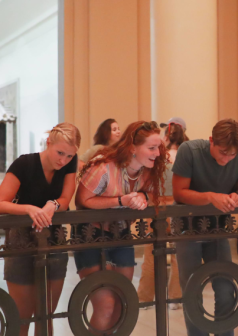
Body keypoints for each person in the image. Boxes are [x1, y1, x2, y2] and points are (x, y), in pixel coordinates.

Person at [74, 121, 167, 330]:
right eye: (152, 148)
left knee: (121, 301)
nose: (157, 153)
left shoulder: (148, 170)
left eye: (159, 147)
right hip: (90, 233)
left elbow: (153, 194)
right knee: (105, 305)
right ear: (133, 148)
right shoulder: (104, 166)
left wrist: (143, 195)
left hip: (121, 232)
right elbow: (83, 201)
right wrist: (120, 201)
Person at [0, 122, 81, 336]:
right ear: (48, 142)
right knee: (21, 318)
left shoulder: (70, 162)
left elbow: (66, 200)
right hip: (21, 241)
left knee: (46, 316)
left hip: (55, 239)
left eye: (69, 156)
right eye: (60, 153)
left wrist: (54, 204)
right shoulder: (25, 163)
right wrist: (29, 209)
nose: (63, 160)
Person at [172, 118, 238, 336]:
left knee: (226, 287)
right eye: (223, 152)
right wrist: (210, 197)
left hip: (219, 228)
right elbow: (179, 192)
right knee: (192, 288)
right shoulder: (189, 151)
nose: (227, 159)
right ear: (211, 141)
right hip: (187, 227)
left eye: (232, 155)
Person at [137, 118, 188, 310]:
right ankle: (176, 299)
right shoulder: (184, 157)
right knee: (177, 255)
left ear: (166, 137)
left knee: (151, 254)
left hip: (156, 207)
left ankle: (144, 299)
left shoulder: (157, 157)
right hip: (177, 207)